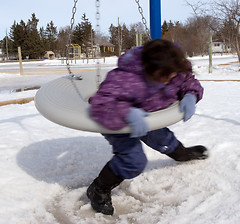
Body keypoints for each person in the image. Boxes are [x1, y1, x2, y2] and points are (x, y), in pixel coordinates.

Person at [87, 39, 208, 215]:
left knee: (164, 139)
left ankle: (182, 154)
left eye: (172, 75)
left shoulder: (173, 67)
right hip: (116, 121)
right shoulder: (125, 78)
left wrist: (191, 94)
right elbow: (101, 104)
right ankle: (98, 189)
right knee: (133, 161)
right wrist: (127, 113)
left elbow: (188, 81)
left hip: (147, 115)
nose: (169, 80)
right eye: (164, 77)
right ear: (149, 70)